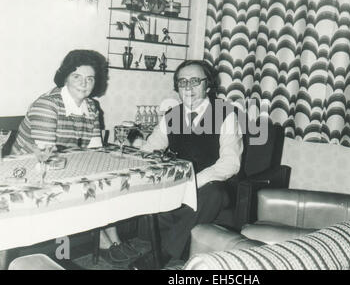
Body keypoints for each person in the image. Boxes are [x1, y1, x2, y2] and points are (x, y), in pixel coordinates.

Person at [12, 49, 138, 263]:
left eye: (90, 78)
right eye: (77, 77)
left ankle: (112, 240)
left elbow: (96, 151)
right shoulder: (48, 104)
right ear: (65, 77)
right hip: (29, 173)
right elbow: (46, 156)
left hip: (64, 166)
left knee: (105, 179)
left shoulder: (91, 106)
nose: (84, 83)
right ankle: (106, 243)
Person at [130, 60, 243, 269]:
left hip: (212, 186)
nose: (188, 87)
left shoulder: (226, 114)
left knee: (213, 194)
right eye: (182, 82)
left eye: (194, 81)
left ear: (207, 86)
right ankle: (182, 241)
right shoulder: (171, 116)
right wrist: (133, 149)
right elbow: (150, 150)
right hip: (179, 186)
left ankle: (161, 255)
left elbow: (230, 163)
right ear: (177, 88)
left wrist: (193, 183)